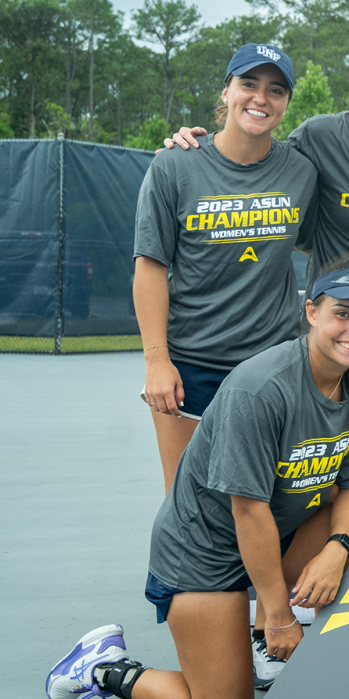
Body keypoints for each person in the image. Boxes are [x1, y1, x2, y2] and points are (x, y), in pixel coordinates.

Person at [46, 258, 349, 699]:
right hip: (206, 553)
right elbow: (248, 510)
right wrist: (276, 614)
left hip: (282, 535)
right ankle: (102, 667)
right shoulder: (260, 389)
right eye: (344, 313)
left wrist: (337, 550)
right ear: (312, 312)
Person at [167, 26, 349, 517]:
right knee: (318, 482)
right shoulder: (320, 136)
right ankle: (318, 579)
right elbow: (257, 159)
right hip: (333, 345)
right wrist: (195, 144)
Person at [135, 43, 316, 493]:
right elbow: (150, 266)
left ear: (287, 102)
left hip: (273, 364)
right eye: (248, 84)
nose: (260, 98)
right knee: (186, 500)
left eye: (275, 89)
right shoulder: (175, 165)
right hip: (192, 364)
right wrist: (157, 360)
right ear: (226, 92)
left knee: (268, 498)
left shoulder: (301, 170)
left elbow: (327, 240)